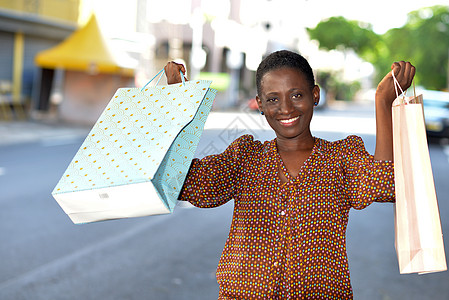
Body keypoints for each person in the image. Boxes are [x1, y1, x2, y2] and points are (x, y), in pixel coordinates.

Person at [164, 50, 415, 299]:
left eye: (296, 95)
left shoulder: (341, 158)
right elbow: (186, 182)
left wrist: (383, 102)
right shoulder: (245, 158)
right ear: (260, 104)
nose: (285, 108)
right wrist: (177, 105)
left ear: (314, 95)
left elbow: (384, 184)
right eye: (273, 99)